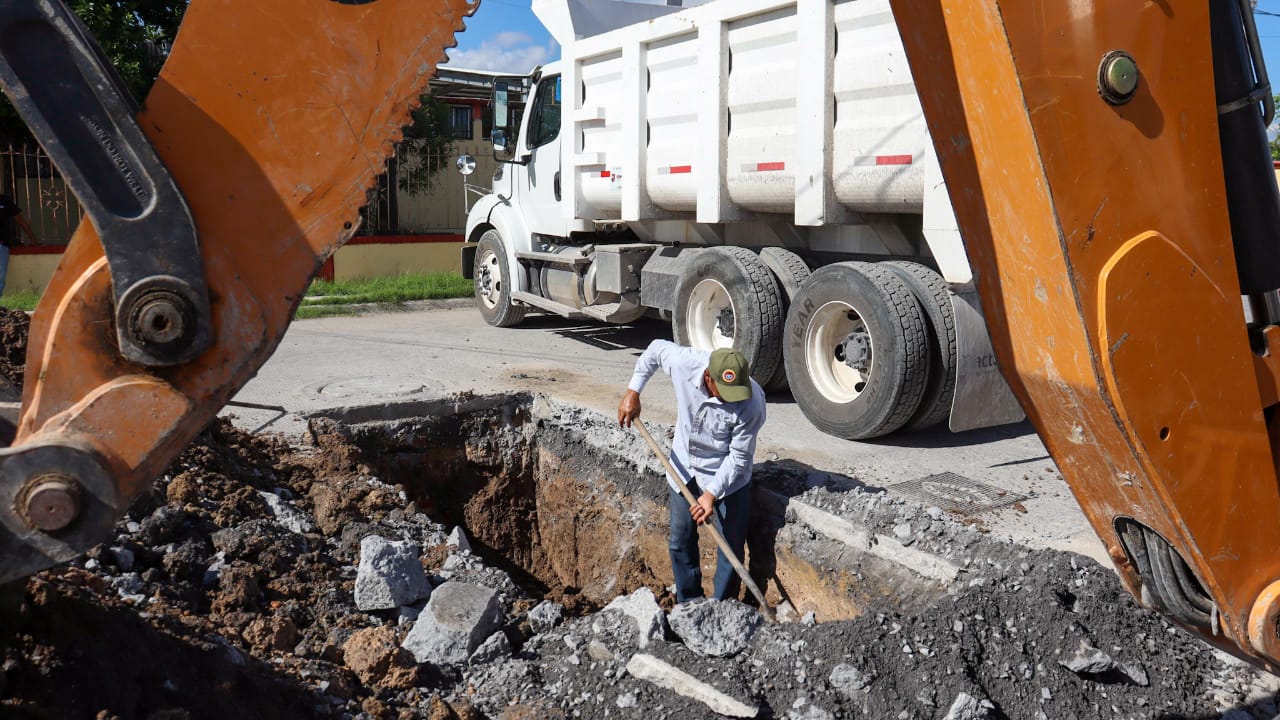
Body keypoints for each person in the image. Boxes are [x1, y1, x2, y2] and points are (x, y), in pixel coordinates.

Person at [618, 339, 766, 603]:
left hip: (727, 478)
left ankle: (723, 608)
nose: (732, 399)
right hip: (684, 468)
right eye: (725, 392)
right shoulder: (685, 363)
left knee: (729, 550)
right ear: (708, 377)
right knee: (680, 540)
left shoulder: (752, 403)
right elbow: (652, 350)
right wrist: (633, 392)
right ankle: (689, 604)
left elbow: (739, 458)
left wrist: (710, 495)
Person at [0, 194, 34, 296]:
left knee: (0, 277)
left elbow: (20, 220)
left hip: (1, 245)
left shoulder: (4, 200)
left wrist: (32, 239)